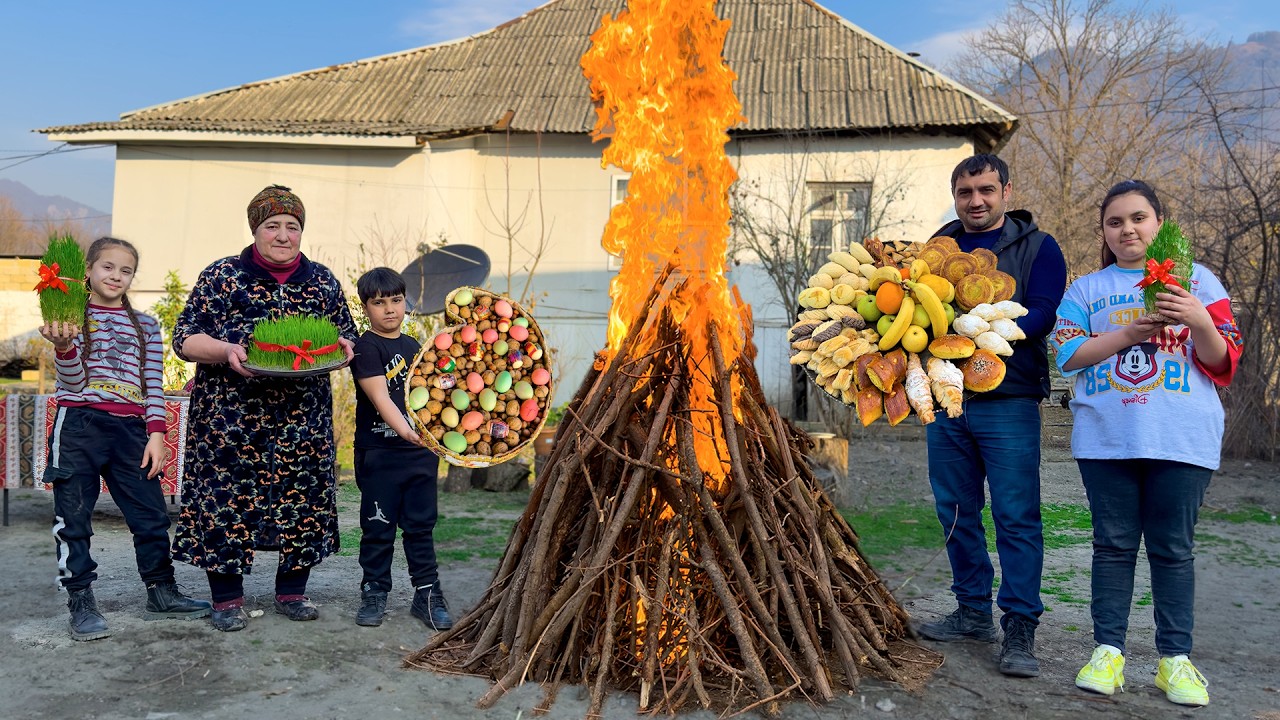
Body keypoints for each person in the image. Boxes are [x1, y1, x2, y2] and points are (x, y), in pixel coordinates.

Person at [1052, 180, 1241, 706]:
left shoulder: (1197, 280)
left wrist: (1197, 316)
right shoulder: (1086, 289)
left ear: (1160, 224)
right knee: (1112, 548)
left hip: (1182, 438)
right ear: (1104, 233)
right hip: (1108, 440)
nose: (1127, 229)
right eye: (1115, 222)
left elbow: (1225, 360)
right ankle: (1108, 653)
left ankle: (1174, 660)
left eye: (1138, 218)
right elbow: (1067, 355)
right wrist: (1130, 334)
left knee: (1173, 551)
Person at [171, 185, 357, 632]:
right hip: (228, 420)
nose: (283, 235)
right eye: (272, 225)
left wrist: (346, 346)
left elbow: (346, 336)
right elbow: (184, 339)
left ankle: (292, 591)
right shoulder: (221, 275)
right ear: (256, 229)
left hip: (302, 419)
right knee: (224, 499)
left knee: (304, 499)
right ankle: (226, 599)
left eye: (292, 227)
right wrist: (226, 351)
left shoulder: (322, 281)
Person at [917, 154, 1068, 678]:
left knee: (1015, 514)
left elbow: (1046, 311)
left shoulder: (1038, 247)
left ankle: (1020, 627)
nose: (975, 201)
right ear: (955, 197)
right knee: (953, 509)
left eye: (985, 190)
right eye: (965, 193)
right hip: (948, 399)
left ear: (1007, 189)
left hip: (1009, 402)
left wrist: (989, 330)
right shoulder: (939, 247)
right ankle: (973, 610)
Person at [40, 236, 212, 641]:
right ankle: (80, 600)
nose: (116, 275)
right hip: (80, 424)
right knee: (74, 517)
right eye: (107, 267)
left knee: (150, 516)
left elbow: (153, 384)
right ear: (87, 270)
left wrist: (156, 434)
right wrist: (64, 348)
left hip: (132, 430)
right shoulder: (70, 316)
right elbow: (73, 383)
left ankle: (161, 591)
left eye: (126, 270)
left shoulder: (146, 325)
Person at [349, 267, 453, 630]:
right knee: (378, 528)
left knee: (420, 527)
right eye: (379, 303)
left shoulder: (415, 348)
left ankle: (427, 595)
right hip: (380, 454)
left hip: (419, 456)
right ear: (366, 308)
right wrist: (408, 431)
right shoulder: (366, 347)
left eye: (395, 300)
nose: (389, 309)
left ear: (405, 302)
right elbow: (381, 398)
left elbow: (440, 393)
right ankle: (374, 592)